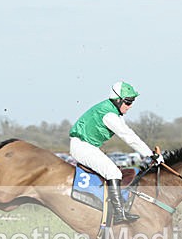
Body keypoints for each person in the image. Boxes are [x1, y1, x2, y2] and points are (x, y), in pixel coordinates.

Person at [69, 81, 161, 223]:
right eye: (128, 102)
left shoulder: (114, 113)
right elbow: (128, 137)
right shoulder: (109, 115)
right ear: (118, 100)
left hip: (86, 146)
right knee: (114, 173)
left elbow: (129, 133)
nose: (130, 106)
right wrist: (150, 154)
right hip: (82, 147)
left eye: (132, 102)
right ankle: (119, 214)